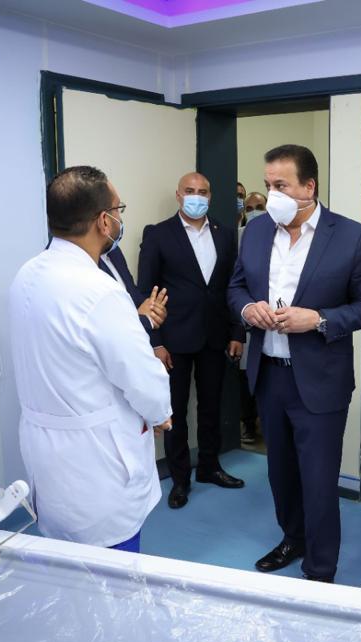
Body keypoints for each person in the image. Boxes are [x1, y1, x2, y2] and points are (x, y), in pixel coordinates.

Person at [229, 144, 361, 583]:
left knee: (318, 481)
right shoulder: (257, 232)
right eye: (267, 185)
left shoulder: (350, 236)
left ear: (309, 186)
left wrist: (317, 320)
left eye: (280, 185)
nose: (271, 195)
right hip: (268, 375)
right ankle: (292, 539)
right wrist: (248, 310)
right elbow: (236, 288)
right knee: (280, 474)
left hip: (319, 381)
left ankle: (320, 569)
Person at [9, 166, 172, 553]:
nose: (119, 219)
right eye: (118, 210)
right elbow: (140, 375)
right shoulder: (99, 290)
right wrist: (159, 413)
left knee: (66, 563)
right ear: (103, 221)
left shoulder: (27, 275)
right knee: (113, 569)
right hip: (98, 466)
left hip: (47, 457)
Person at [138, 172, 246, 509]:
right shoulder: (158, 235)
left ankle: (210, 467)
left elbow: (233, 287)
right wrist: (155, 342)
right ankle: (180, 479)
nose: (196, 196)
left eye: (202, 191)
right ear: (178, 195)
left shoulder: (224, 235)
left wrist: (237, 332)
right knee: (176, 410)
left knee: (211, 407)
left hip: (215, 336)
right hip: (174, 340)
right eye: (190, 190)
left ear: (210, 196)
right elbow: (146, 294)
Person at [238, 190, 267, 445]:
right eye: (249, 208)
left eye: (259, 207)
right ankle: (248, 423)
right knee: (245, 379)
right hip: (246, 319)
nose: (254, 212)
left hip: (273, 320)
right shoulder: (240, 236)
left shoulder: (272, 234)